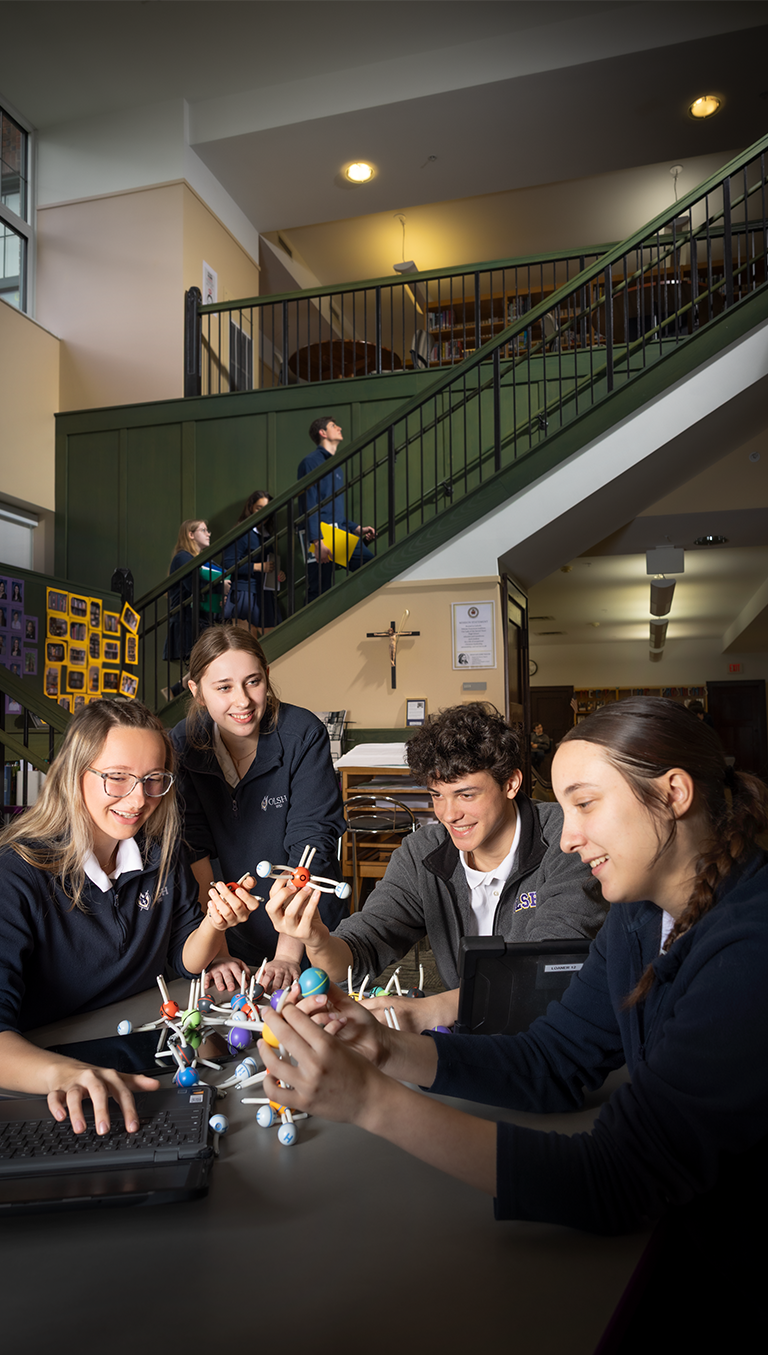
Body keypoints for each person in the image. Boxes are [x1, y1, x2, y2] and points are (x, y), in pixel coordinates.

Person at [259, 696, 768, 1302]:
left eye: (585, 804)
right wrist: (386, 1047)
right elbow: (552, 1059)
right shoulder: (638, 914)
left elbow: (617, 1178)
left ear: (673, 794)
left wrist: (372, 1102)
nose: (569, 838)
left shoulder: (749, 949)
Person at [0, 698, 257, 1134]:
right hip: (45, 1082)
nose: (139, 799)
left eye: (154, 779)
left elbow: (183, 958)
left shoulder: (162, 853)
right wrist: (64, 1074)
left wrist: (215, 923)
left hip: (143, 1051)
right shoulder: (16, 874)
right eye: (117, 777)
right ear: (74, 775)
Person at [267, 702, 606, 1030]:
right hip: (470, 1034)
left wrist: (431, 1010)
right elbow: (358, 952)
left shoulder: (568, 840)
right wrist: (317, 940)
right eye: (436, 795)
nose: (448, 814)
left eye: (466, 795)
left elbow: (547, 973)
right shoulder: (423, 853)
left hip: (557, 1036)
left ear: (510, 784)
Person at [169, 626, 346, 989]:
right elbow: (195, 851)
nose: (243, 701)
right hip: (230, 930)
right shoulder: (183, 742)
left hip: (308, 930)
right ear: (197, 692)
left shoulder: (302, 734)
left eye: (253, 682)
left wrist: (287, 955)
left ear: (266, 676)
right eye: (224, 687)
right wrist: (217, 948)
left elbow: (311, 847)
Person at [297, 416, 376, 601]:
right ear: (322, 433)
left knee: (371, 566)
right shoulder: (311, 462)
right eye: (333, 426)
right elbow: (309, 504)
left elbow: (332, 509)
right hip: (321, 535)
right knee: (319, 589)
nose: (339, 428)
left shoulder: (336, 466)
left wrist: (356, 528)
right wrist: (317, 542)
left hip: (336, 532)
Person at [164, 519, 227, 665]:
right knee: (202, 665)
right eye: (203, 530)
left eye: (208, 530)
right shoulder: (182, 557)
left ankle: (180, 684)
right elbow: (194, 584)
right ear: (191, 534)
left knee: (204, 665)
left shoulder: (201, 560)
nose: (208, 534)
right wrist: (220, 587)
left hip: (200, 620)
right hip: (187, 621)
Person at [222, 489, 284, 634]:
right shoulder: (242, 532)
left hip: (264, 593)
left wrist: (276, 573)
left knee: (273, 638)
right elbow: (228, 563)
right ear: (250, 508)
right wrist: (258, 567)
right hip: (245, 593)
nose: (263, 513)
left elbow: (267, 564)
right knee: (247, 641)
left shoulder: (267, 535)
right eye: (259, 508)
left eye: (266, 509)